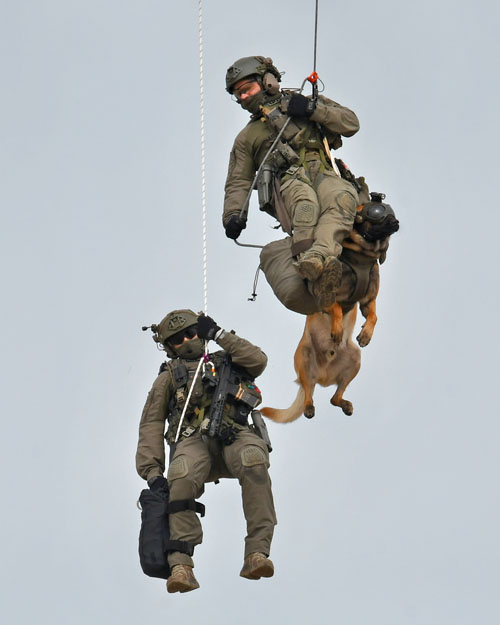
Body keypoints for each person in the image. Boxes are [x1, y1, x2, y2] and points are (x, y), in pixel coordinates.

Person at [136, 309, 277, 593]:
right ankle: (181, 565)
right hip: (192, 440)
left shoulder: (226, 360)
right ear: (168, 347)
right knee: (181, 476)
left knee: (254, 461)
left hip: (234, 434)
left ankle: (256, 553)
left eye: (191, 333)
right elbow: (151, 421)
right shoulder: (169, 377)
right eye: (178, 339)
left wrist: (218, 334)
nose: (186, 340)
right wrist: (152, 472)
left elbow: (258, 361)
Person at [223, 55, 362, 309]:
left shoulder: (303, 103)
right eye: (238, 95)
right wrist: (233, 213)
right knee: (305, 205)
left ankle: (320, 256)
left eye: (246, 90)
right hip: (288, 179)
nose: (243, 98)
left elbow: (351, 123)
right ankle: (308, 264)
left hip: (322, 170)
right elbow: (238, 180)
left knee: (342, 198)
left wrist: (313, 111)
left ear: (267, 81)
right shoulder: (246, 138)